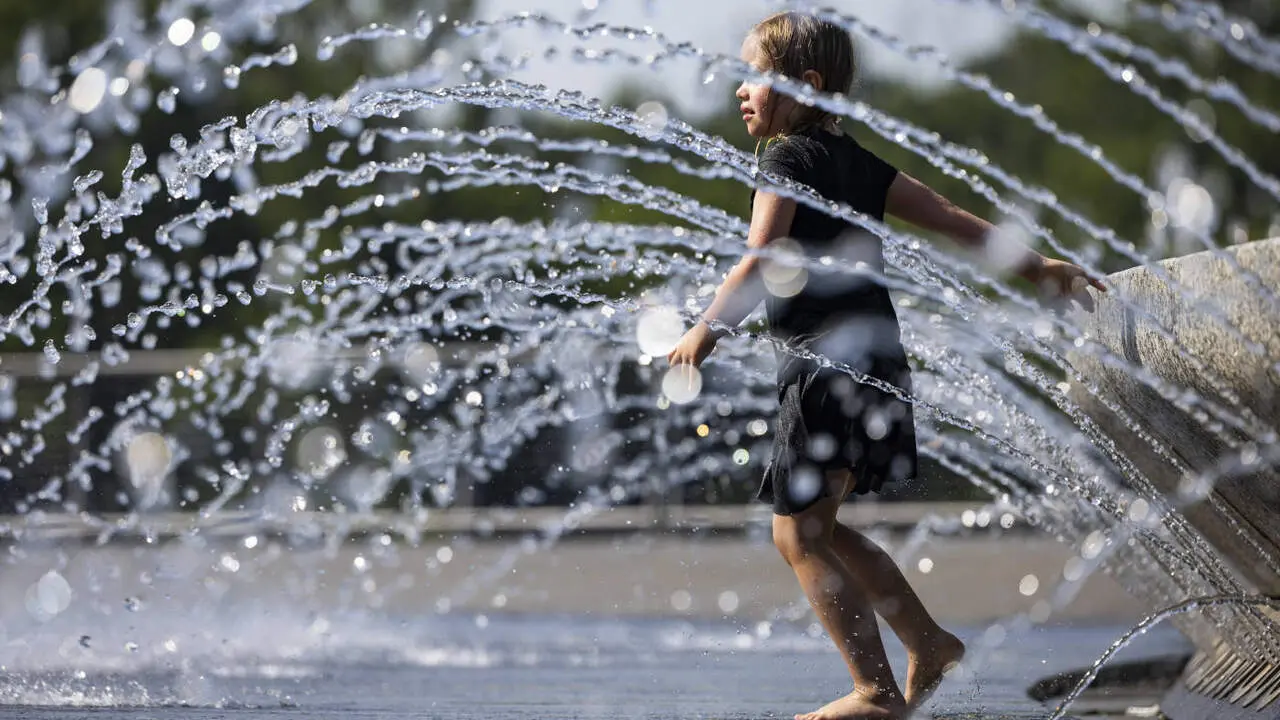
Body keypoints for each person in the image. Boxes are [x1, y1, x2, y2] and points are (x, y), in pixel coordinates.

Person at [666, 11, 1106, 720]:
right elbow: (950, 215)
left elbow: (760, 259)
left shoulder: (786, 162)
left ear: (806, 86)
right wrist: (1040, 268)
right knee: (824, 527)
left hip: (820, 371)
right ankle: (928, 644)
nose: (740, 91)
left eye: (754, 76)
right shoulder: (860, 164)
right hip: (875, 366)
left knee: (796, 534)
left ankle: (874, 691)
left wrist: (703, 332)